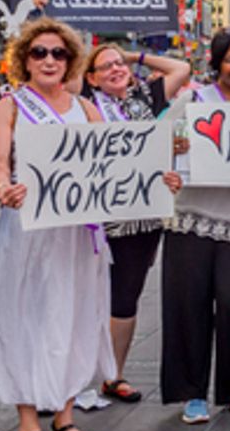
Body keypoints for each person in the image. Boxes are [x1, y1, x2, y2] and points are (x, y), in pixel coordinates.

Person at [0, 19, 156, 431]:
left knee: (75, 318)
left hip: (78, 232)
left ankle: (66, 415)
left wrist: (155, 179)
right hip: (30, 228)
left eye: (58, 54)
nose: (49, 60)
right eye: (39, 53)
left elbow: (114, 164)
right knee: (25, 318)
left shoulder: (86, 108)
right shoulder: (10, 106)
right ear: (24, 59)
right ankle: (29, 424)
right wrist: (3, 187)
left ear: (70, 61)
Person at [163, 29, 230, 425]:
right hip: (188, 215)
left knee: (229, 302)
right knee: (188, 305)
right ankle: (192, 393)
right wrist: (173, 154)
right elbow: (156, 141)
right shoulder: (194, 101)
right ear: (217, 64)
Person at [82, 43, 192, 403]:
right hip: (94, 214)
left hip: (141, 214)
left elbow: (181, 68)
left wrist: (134, 57)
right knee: (81, 293)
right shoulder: (84, 102)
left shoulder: (146, 96)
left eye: (118, 64)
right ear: (91, 79)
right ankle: (72, 375)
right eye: (106, 67)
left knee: (126, 295)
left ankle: (114, 374)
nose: (115, 70)